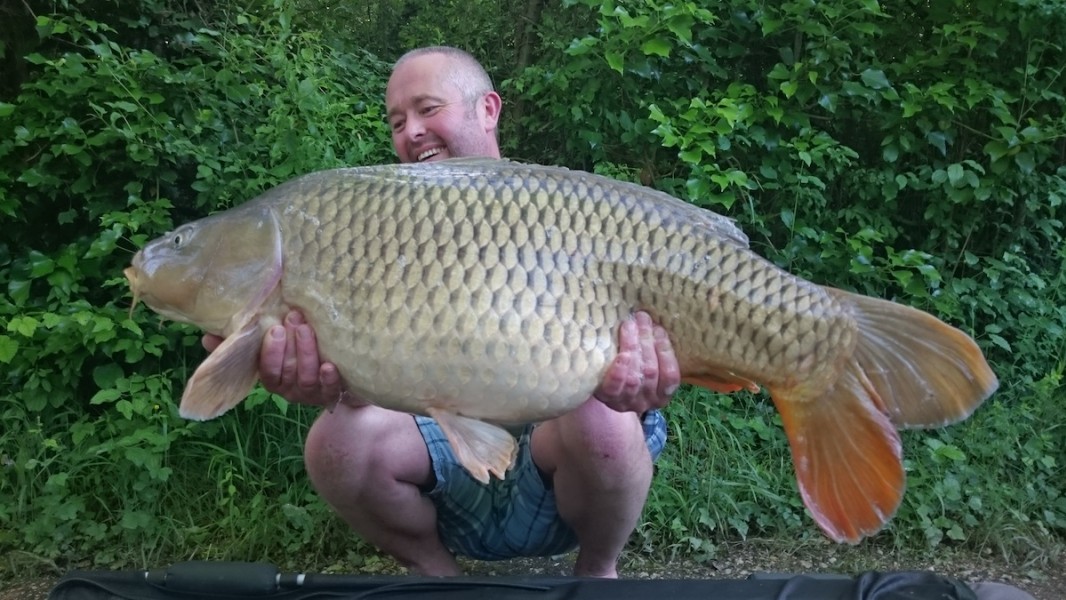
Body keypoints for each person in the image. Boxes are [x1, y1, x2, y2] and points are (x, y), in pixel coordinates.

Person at [206, 46, 681, 578]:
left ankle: (597, 573)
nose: (411, 131)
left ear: (488, 110)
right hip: (445, 468)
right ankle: (439, 580)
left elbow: (636, 376)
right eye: (397, 121)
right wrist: (335, 385)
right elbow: (368, 397)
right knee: (335, 440)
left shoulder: (570, 214)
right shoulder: (375, 228)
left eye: (428, 109)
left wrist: (639, 395)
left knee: (609, 417)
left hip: (569, 476)